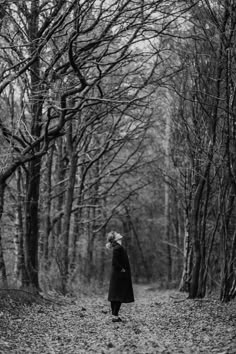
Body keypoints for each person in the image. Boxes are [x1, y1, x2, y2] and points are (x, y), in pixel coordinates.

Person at [106, 231, 134, 322]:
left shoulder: (117, 246)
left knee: (115, 295)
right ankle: (114, 316)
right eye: (116, 233)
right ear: (115, 238)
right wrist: (122, 269)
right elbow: (115, 263)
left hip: (117, 275)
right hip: (119, 275)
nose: (119, 233)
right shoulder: (117, 248)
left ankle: (114, 315)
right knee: (117, 295)